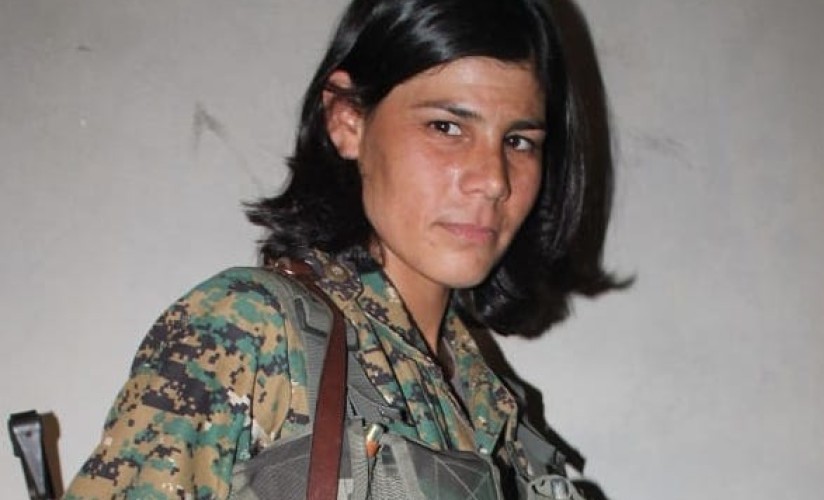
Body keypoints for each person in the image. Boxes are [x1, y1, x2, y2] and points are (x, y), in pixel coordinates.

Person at [64, 0, 616, 498]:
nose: (493, 179)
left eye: (518, 141)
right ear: (347, 120)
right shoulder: (251, 332)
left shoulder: (495, 408)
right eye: (447, 127)